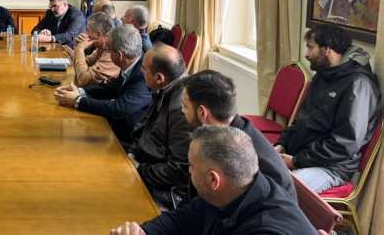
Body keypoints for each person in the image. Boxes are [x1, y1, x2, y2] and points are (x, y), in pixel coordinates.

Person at [109, 126, 314, 235]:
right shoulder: (232, 190)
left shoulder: (265, 227)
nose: (188, 171)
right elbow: (181, 219)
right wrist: (143, 231)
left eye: (191, 166)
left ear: (213, 179)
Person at [275, 24, 381, 192]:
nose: (306, 54)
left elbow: (345, 144)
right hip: (301, 155)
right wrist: (282, 144)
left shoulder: (359, 85)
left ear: (327, 49)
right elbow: (301, 120)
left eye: (310, 47)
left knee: (280, 190)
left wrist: (296, 161)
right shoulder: (322, 76)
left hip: (331, 167)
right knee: (252, 171)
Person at [181, 69, 296, 199]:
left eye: (185, 106)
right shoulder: (226, 132)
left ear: (202, 113)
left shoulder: (233, 155)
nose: (182, 111)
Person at [54, 25, 151, 145]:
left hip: (129, 140)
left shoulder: (142, 74)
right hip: (117, 129)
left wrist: (78, 100)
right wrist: (80, 92)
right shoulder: (131, 63)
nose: (106, 52)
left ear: (119, 55)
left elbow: (118, 108)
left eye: (108, 49)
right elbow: (110, 89)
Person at [125, 43, 191, 209]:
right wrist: (132, 153)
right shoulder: (166, 87)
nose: (140, 72)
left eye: (144, 69)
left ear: (159, 78)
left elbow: (179, 170)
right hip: (147, 165)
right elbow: (144, 127)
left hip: (164, 191)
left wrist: (138, 169)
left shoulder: (183, 109)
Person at [61, 12, 120, 86]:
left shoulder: (112, 53)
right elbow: (86, 62)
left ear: (98, 34)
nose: (86, 33)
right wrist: (76, 48)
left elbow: (83, 80)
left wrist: (80, 49)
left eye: (88, 30)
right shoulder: (102, 47)